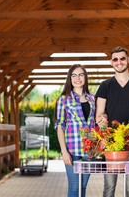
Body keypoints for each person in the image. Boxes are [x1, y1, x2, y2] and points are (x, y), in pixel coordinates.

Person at [96, 46, 129, 197]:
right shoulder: (105, 86)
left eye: (122, 58)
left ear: (128, 60)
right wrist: (103, 121)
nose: (119, 62)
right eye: (115, 59)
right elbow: (99, 113)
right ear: (111, 62)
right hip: (111, 143)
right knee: (109, 187)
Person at [54, 64, 96, 197]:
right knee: (74, 186)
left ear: (85, 78)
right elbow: (60, 126)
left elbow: (98, 120)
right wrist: (64, 152)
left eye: (81, 75)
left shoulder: (93, 99)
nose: (78, 78)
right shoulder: (63, 99)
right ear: (70, 79)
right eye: (74, 75)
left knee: (83, 185)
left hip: (89, 150)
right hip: (72, 150)